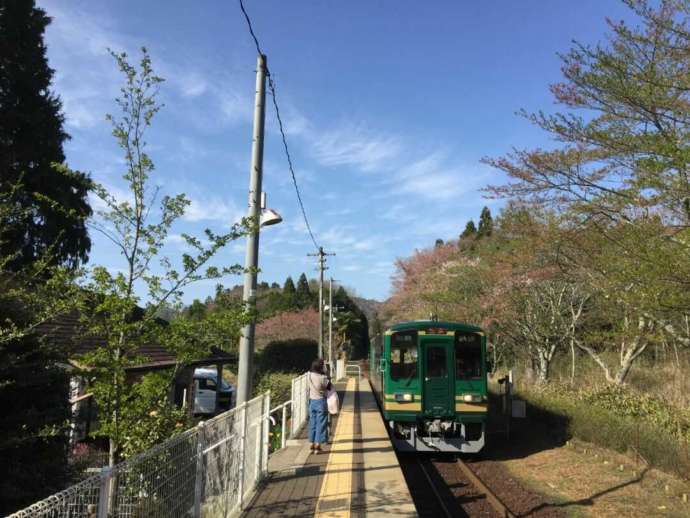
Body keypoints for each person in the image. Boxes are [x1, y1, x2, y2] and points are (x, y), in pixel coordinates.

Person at [308, 358, 332, 454]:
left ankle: (312, 443)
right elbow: (330, 387)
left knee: (313, 423)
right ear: (321, 367)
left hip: (312, 402)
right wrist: (327, 372)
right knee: (321, 424)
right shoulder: (323, 378)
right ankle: (318, 445)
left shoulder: (309, 375)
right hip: (321, 402)